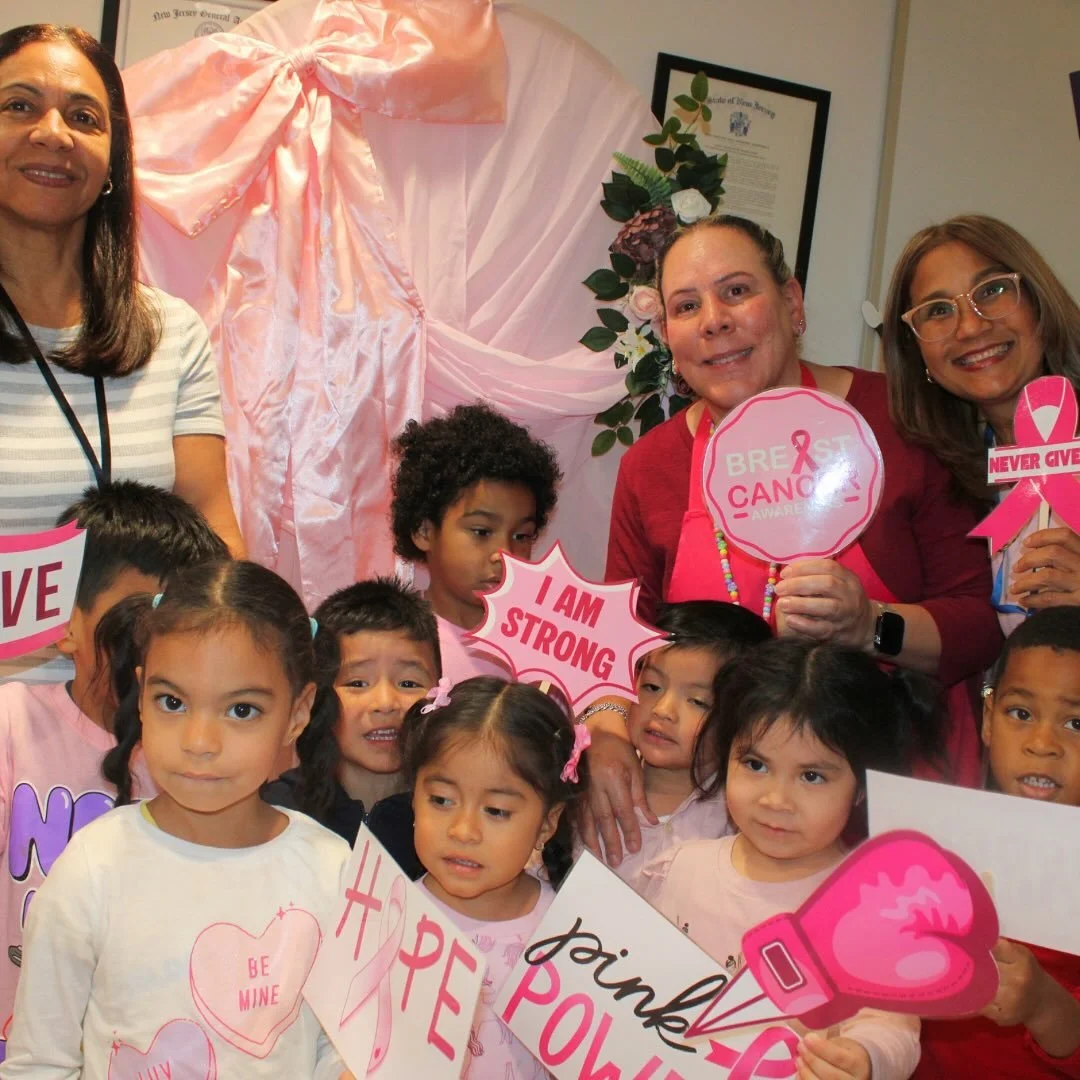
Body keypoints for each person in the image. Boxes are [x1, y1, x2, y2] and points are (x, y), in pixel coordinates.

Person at [592, 214, 1000, 865]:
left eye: (736, 292)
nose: (714, 321)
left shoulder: (899, 422)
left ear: (791, 302)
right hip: (724, 828)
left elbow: (980, 624)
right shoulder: (653, 466)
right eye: (687, 306)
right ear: (668, 334)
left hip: (899, 815)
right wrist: (606, 734)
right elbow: (617, 638)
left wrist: (869, 625)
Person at [0, 561, 351, 1076]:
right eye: (172, 702)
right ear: (141, 697)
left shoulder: (331, 869)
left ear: (297, 714)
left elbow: (337, 1046)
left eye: (241, 711)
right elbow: (38, 1063)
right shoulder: (95, 866)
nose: (199, 743)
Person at [0, 481, 227, 1054]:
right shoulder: (12, 723)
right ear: (65, 621)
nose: (158, 646)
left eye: (184, 622)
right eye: (137, 616)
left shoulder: (207, 758)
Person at [645, 639, 940, 1080]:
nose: (776, 799)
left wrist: (863, 1057)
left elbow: (892, 1027)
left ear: (861, 787)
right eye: (756, 765)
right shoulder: (679, 869)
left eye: (812, 776)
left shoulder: (874, 910)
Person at [0, 24, 243, 555]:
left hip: (138, 639)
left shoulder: (171, 333)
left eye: (84, 118)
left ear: (112, 160)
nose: (54, 134)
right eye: (19, 106)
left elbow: (213, 539)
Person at [881, 214, 1080, 633]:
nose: (971, 327)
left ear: (1039, 304)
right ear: (917, 353)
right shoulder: (937, 485)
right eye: (937, 311)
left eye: (992, 290)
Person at [916, 606, 1080, 1077]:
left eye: (1076, 723)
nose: (1043, 744)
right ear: (989, 719)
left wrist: (1043, 1004)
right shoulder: (933, 843)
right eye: (1021, 713)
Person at [399, 676, 587, 1078]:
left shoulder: (570, 935)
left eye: (497, 810)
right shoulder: (387, 915)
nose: (464, 830)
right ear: (413, 796)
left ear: (546, 823)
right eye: (442, 800)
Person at [577, 600, 769, 891]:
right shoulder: (593, 773)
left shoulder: (742, 818)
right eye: (652, 687)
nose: (663, 710)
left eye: (698, 702)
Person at [390, 401, 562, 684]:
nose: (505, 554)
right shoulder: (396, 643)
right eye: (482, 531)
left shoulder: (546, 643)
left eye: (522, 536)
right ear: (424, 531)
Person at [262, 576, 441, 844]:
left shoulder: (452, 818)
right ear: (316, 695)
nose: (385, 703)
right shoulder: (274, 811)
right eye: (357, 683)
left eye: (408, 683)